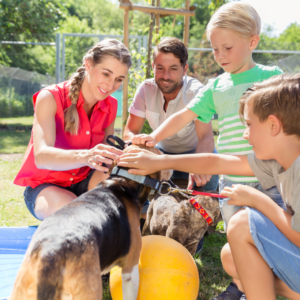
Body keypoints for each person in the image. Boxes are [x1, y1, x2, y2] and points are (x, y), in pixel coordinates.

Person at [117, 73, 300, 300]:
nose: (245, 134)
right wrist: (159, 161)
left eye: (250, 124)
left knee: (243, 223)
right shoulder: (279, 161)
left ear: (273, 125)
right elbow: (219, 161)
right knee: (231, 257)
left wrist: (257, 200)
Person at [14, 39, 131, 221]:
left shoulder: (111, 105)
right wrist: (87, 156)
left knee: (117, 212)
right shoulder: (50, 97)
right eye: (106, 74)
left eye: (118, 80)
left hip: (86, 181)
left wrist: (130, 152)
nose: (110, 85)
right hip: (46, 186)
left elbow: (105, 161)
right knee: (79, 217)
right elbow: (41, 157)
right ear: (88, 64)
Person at [124, 37, 219, 192]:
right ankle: (141, 213)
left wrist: (198, 164)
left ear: (185, 69)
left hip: (195, 154)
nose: (166, 76)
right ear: (153, 66)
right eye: (160, 68)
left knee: (202, 205)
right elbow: (129, 132)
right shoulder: (145, 89)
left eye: (173, 69)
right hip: (161, 153)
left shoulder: (195, 92)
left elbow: (206, 137)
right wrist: (142, 146)